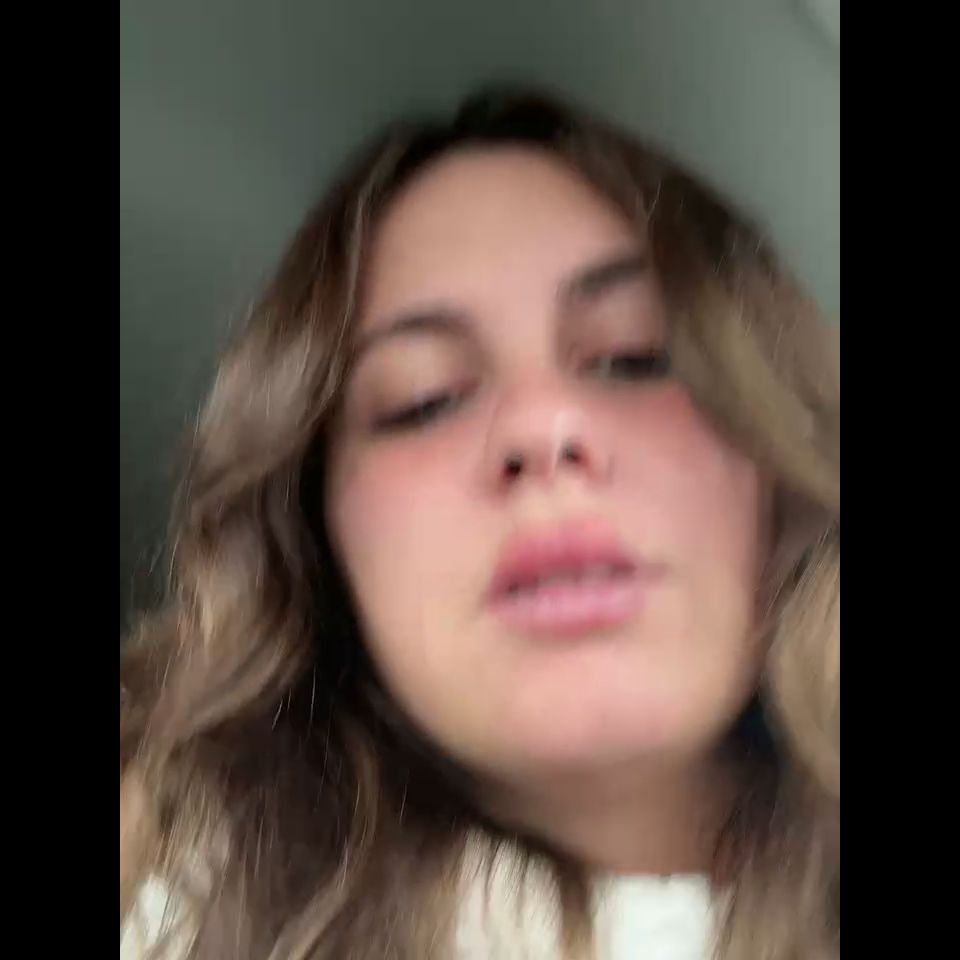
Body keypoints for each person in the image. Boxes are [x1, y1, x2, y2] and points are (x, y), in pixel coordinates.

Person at [120, 88, 840, 959]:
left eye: (635, 357)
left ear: (775, 463)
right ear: (321, 547)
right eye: (423, 401)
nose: (543, 428)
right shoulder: (171, 892)